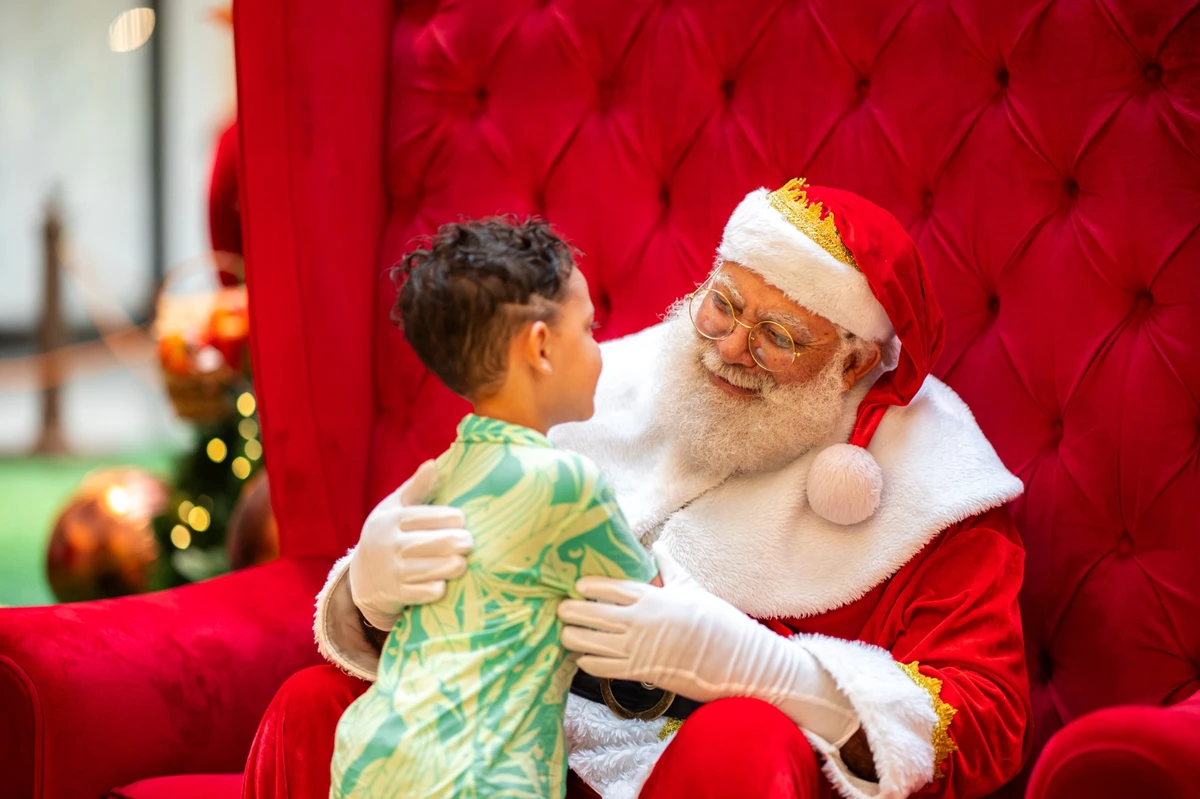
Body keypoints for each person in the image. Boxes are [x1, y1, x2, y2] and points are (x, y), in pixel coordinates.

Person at [246, 180, 1030, 799]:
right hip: (517, 744)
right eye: (724, 304)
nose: (730, 347)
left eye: (778, 336)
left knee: (745, 740)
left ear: (853, 362)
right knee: (318, 705)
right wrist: (368, 590)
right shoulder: (600, 378)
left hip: (697, 770)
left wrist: (771, 670)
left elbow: (985, 718)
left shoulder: (933, 480)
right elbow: (468, 537)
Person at [329, 219, 658, 799]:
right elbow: (653, 614)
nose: (599, 349)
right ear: (540, 347)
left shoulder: (443, 474)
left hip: (368, 754)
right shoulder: (569, 483)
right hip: (483, 774)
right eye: (588, 329)